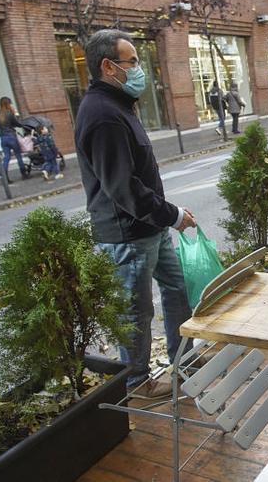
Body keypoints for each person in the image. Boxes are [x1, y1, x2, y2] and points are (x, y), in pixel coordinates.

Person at [74, 29, 196, 399]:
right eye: (133, 62)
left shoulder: (118, 106)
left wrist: (165, 217)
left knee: (177, 289)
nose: (141, 69)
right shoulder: (104, 115)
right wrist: (173, 215)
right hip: (128, 235)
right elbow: (123, 188)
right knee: (135, 312)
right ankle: (137, 381)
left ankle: (184, 359)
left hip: (150, 227)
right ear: (108, 66)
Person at [0, 97, 27, 183]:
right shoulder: (10, 113)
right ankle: (24, 174)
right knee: (18, 156)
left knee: (6, 157)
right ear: (8, 104)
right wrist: (17, 115)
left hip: (3, 137)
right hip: (11, 137)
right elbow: (18, 124)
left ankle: (5, 177)